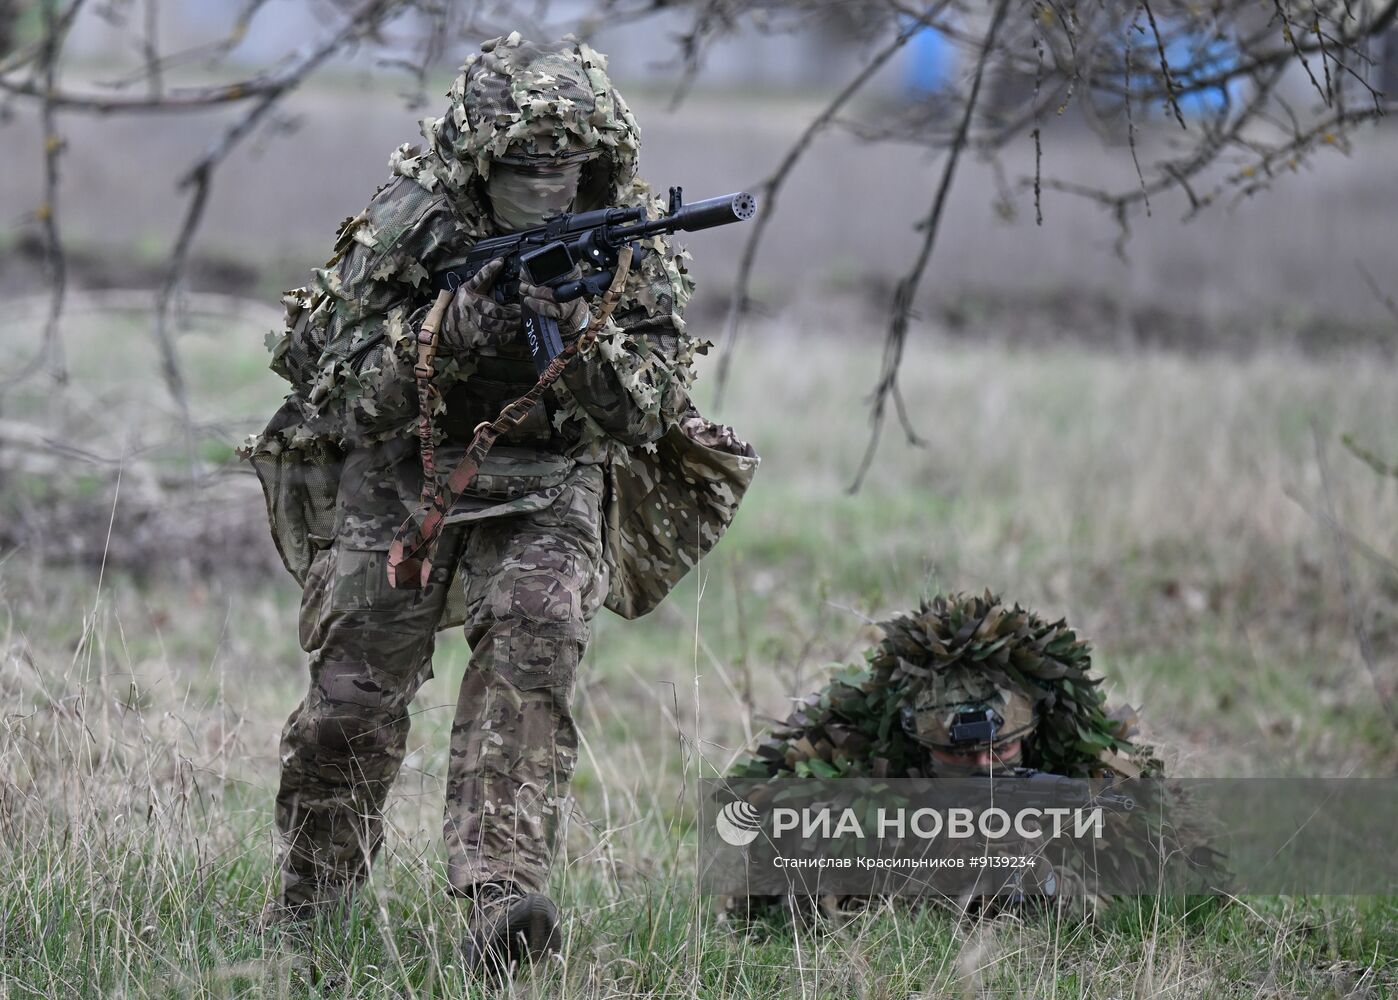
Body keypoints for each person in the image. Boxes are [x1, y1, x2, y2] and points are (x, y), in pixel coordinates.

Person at [242, 33, 758, 974]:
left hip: (551, 473)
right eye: (526, 168)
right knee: (349, 702)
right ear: (482, 164)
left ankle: (501, 899)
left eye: (568, 166)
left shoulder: (622, 238)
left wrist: (581, 336)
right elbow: (330, 384)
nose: (551, 185)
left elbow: (647, 411)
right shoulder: (413, 224)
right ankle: (310, 911)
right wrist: (444, 334)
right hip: (405, 470)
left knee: (537, 630)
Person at [723, 591, 1198, 923]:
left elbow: (1149, 893)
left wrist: (1045, 882)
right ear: (922, 745)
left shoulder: (1076, 783)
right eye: (962, 757)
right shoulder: (859, 776)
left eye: (1002, 749)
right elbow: (793, 903)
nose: (985, 768)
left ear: (1032, 735)